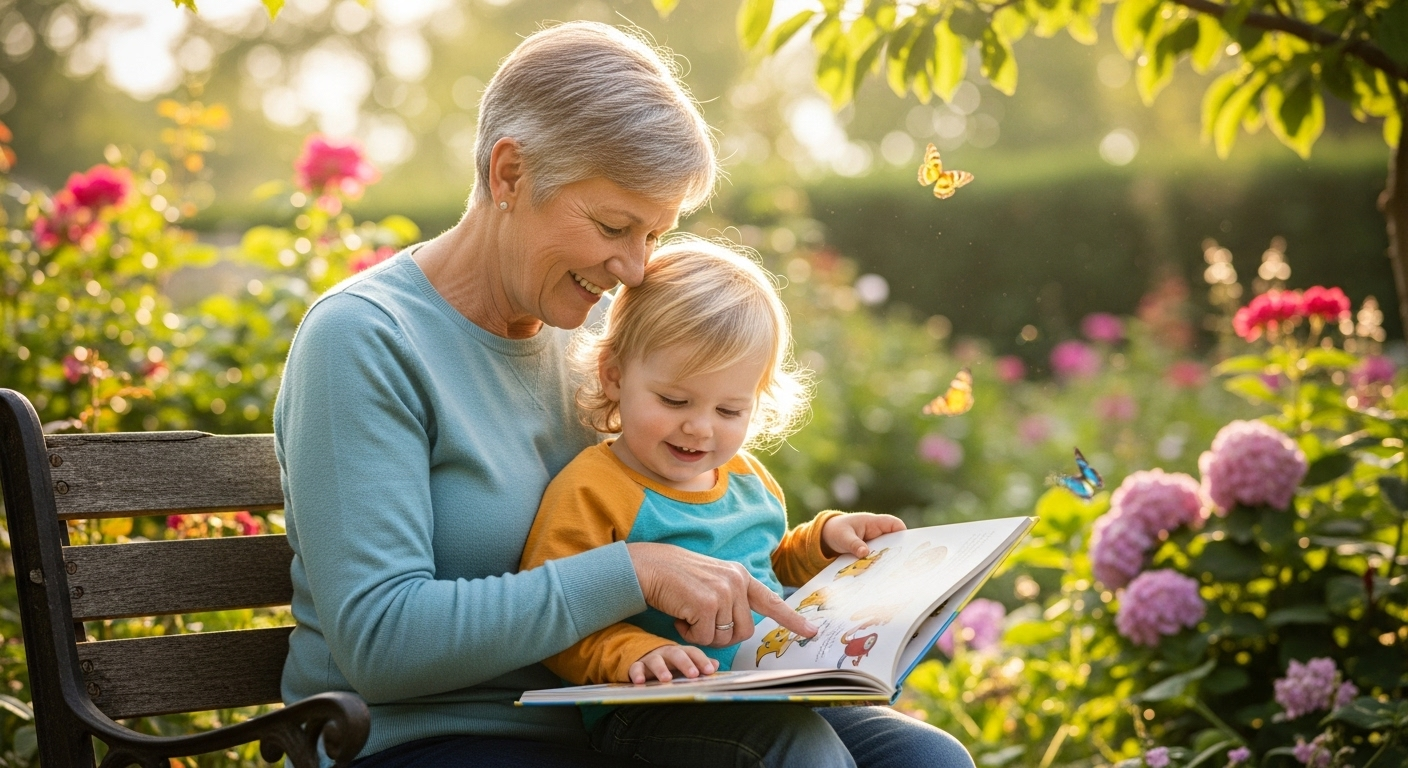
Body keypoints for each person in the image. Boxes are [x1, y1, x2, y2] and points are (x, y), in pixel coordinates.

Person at [275, 22, 817, 768]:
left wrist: (825, 556)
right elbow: (381, 641)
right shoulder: (366, 339)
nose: (633, 270)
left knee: (919, 757)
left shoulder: (601, 336)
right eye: (614, 226)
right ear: (509, 174)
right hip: (427, 740)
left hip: (622, 715)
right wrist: (634, 571)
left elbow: (697, 498)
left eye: (655, 236)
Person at [519, 240, 977, 768]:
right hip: (647, 707)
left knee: (930, 753)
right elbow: (554, 614)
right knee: (800, 749)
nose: (700, 426)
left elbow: (770, 568)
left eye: (730, 409)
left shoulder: (746, 478)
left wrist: (825, 542)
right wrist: (638, 654)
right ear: (614, 375)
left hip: (768, 686)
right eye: (674, 400)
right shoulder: (594, 489)